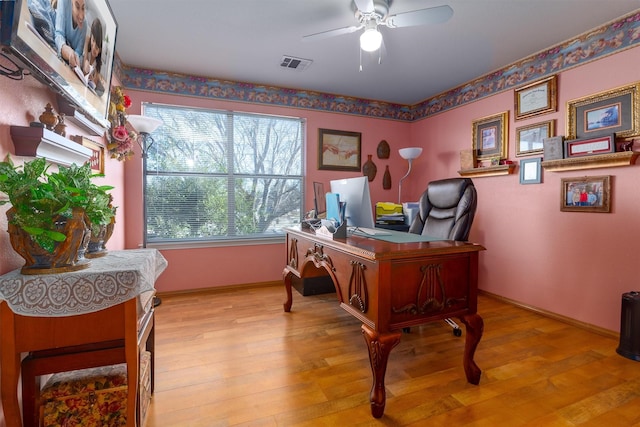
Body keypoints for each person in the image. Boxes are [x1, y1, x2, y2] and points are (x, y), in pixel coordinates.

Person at [54, 0, 86, 68]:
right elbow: (59, 33)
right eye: (77, 7)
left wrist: (75, 58)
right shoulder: (63, 2)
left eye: (83, 8)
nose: (81, 16)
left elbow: (79, 52)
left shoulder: (84, 25)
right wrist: (68, 52)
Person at [81, 18, 103, 90]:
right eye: (93, 40)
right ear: (91, 37)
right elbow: (85, 64)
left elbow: (94, 85)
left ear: (100, 50)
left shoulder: (98, 64)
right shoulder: (87, 41)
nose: (93, 47)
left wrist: (92, 79)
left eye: (97, 47)